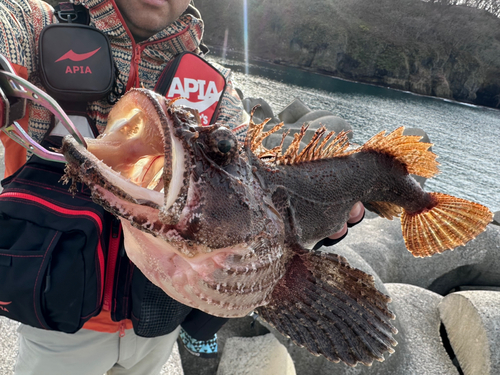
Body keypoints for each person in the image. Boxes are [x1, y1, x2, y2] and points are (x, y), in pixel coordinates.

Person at [0, 1, 364, 374]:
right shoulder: (33, 26)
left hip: (158, 324)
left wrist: (314, 218)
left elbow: (256, 191)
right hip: (57, 325)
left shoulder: (218, 86)